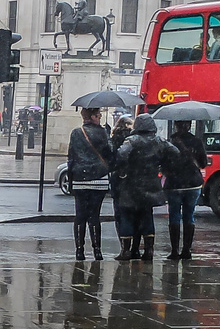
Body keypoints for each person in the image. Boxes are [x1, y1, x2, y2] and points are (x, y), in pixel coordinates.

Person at [111, 115, 177, 262]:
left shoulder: (132, 140)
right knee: (147, 217)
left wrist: (124, 167)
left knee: (127, 216)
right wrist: (162, 163)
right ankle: (149, 250)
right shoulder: (159, 141)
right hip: (150, 184)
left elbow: (121, 154)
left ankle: (126, 251)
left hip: (131, 184)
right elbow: (175, 152)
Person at [66, 108, 114, 261]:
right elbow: (110, 153)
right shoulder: (102, 133)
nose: (100, 117)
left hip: (80, 179)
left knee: (80, 216)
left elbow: (71, 156)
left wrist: (72, 178)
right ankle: (97, 250)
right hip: (99, 179)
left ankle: (79, 251)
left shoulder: (76, 133)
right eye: (98, 115)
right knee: (94, 216)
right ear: (92, 116)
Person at [164, 119, 209, 261]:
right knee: (189, 216)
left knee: (174, 215)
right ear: (189, 125)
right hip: (193, 184)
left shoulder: (169, 142)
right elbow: (203, 164)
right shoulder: (196, 142)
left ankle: (174, 251)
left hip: (174, 184)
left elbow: (163, 165)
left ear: (176, 125)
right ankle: (187, 250)